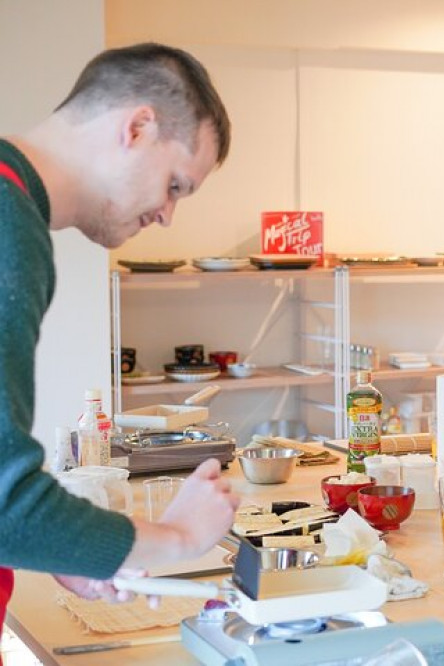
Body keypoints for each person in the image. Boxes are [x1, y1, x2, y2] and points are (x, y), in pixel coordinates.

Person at [0, 42, 240, 637]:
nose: (166, 215)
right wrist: (176, 537)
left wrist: (78, 550)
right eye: (176, 185)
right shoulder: (8, 225)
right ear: (137, 127)